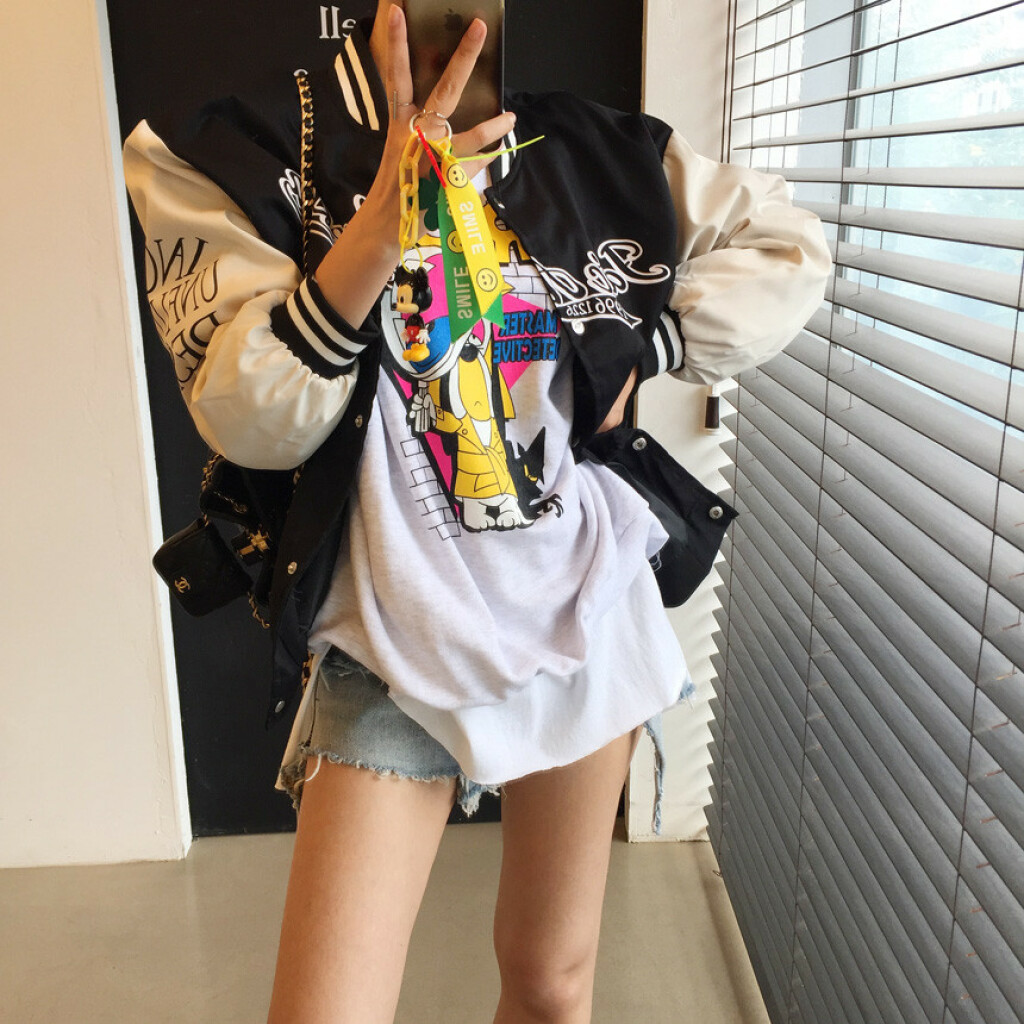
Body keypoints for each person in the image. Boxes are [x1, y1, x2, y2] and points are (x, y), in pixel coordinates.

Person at [123, 3, 830, 1021]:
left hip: (582, 602)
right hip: (396, 627)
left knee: (551, 984)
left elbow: (788, 244)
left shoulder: (596, 150)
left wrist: (646, 347)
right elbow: (253, 420)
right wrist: (380, 231)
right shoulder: (253, 152)